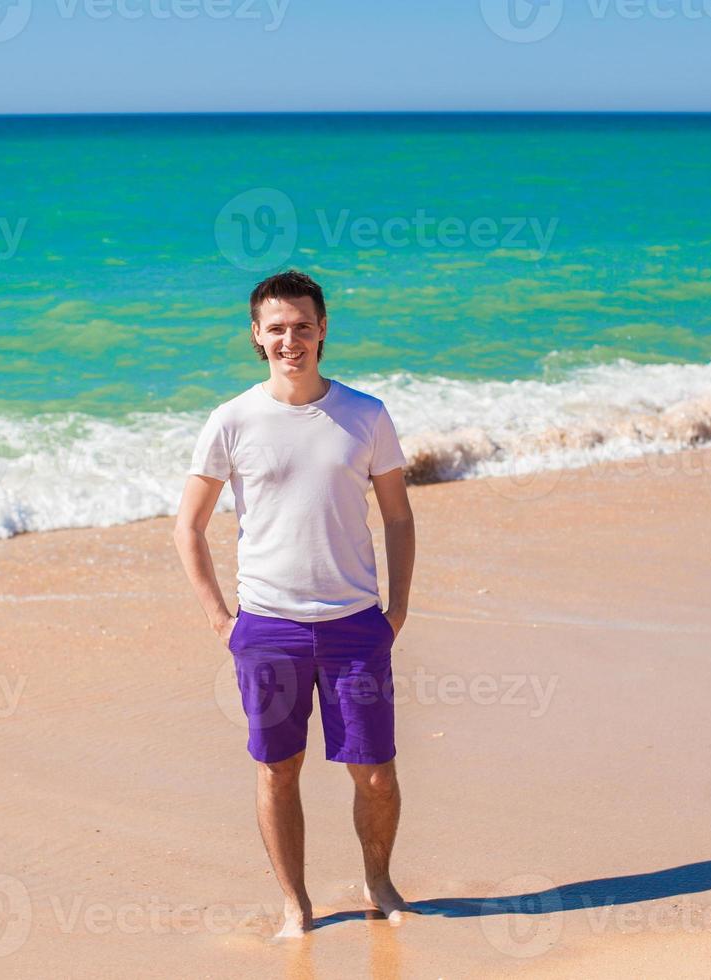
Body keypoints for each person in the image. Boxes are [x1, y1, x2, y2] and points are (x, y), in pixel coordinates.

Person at [173, 270, 416, 938]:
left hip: (355, 625)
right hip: (268, 630)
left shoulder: (365, 414)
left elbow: (398, 516)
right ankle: (295, 903)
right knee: (278, 771)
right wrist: (222, 621)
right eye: (276, 328)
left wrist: (396, 610)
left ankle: (378, 881)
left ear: (323, 330)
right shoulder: (232, 420)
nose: (290, 340)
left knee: (376, 775)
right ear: (256, 335)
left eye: (302, 326)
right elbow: (188, 526)